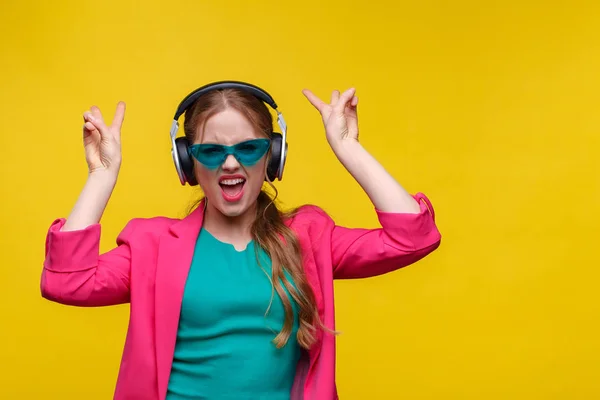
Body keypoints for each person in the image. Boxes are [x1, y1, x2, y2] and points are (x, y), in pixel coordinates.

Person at [40, 81, 442, 400]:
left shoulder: (307, 237)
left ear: (273, 157)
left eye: (248, 148)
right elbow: (66, 281)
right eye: (211, 152)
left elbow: (412, 238)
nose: (230, 163)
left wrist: (349, 148)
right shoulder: (155, 244)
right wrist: (102, 175)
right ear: (188, 163)